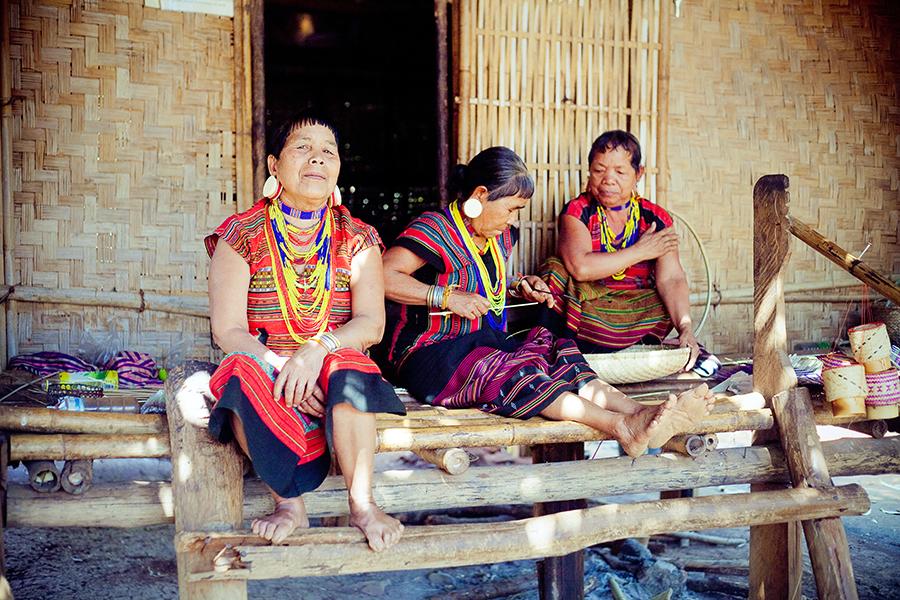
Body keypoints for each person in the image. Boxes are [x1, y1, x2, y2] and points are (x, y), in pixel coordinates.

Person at [382, 147, 713, 458]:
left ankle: (642, 414)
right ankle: (621, 427)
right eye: (511, 209)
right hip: (428, 353)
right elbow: (382, 275)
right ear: (481, 195)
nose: (512, 220)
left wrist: (520, 286)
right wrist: (445, 296)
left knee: (556, 349)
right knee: (514, 370)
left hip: (480, 343)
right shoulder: (436, 228)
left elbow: (482, 281)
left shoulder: (499, 237)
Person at [206, 113, 406, 551]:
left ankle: (363, 504)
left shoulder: (358, 238)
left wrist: (316, 351)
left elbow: (371, 324)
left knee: (351, 362)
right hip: (270, 376)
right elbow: (228, 329)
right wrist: (283, 369)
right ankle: (289, 504)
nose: (317, 158)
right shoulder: (240, 235)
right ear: (274, 166)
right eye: (302, 148)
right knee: (239, 369)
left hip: (332, 375)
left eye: (328, 151)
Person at [540, 131, 699, 368]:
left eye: (620, 172)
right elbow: (580, 267)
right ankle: (557, 353)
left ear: (638, 174)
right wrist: (640, 251)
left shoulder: (654, 218)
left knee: (664, 299)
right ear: (589, 171)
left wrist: (685, 328)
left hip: (635, 313)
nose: (608, 180)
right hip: (588, 314)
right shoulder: (578, 210)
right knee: (554, 270)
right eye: (599, 170)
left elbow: (672, 278)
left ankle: (634, 348)